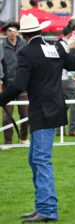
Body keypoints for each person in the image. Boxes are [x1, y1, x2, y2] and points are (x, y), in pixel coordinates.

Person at [0, 14, 75, 223]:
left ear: (24, 35)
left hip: (41, 111)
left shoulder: (26, 52)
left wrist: (2, 99)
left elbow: (18, 85)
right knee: (35, 159)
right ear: (41, 31)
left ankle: (47, 210)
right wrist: (70, 46)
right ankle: (42, 207)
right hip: (53, 108)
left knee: (41, 160)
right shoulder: (55, 47)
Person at [0, 21, 29, 149]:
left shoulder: (24, 45)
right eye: (9, 31)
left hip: (23, 85)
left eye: (14, 30)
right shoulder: (1, 46)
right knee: (7, 116)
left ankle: (24, 138)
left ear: (18, 31)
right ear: (6, 32)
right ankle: (8, 142)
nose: (12, 33)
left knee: (25, 114)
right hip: (8, 85)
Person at [56, 26, 75, 136]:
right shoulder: (67, 45)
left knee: (63, 104)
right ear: (71, 34)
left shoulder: (58, 44)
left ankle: (59, 130)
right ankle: (73, 128)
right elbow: (70, 62)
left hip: (60, 78)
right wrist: (74, 49)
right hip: (66, 78)